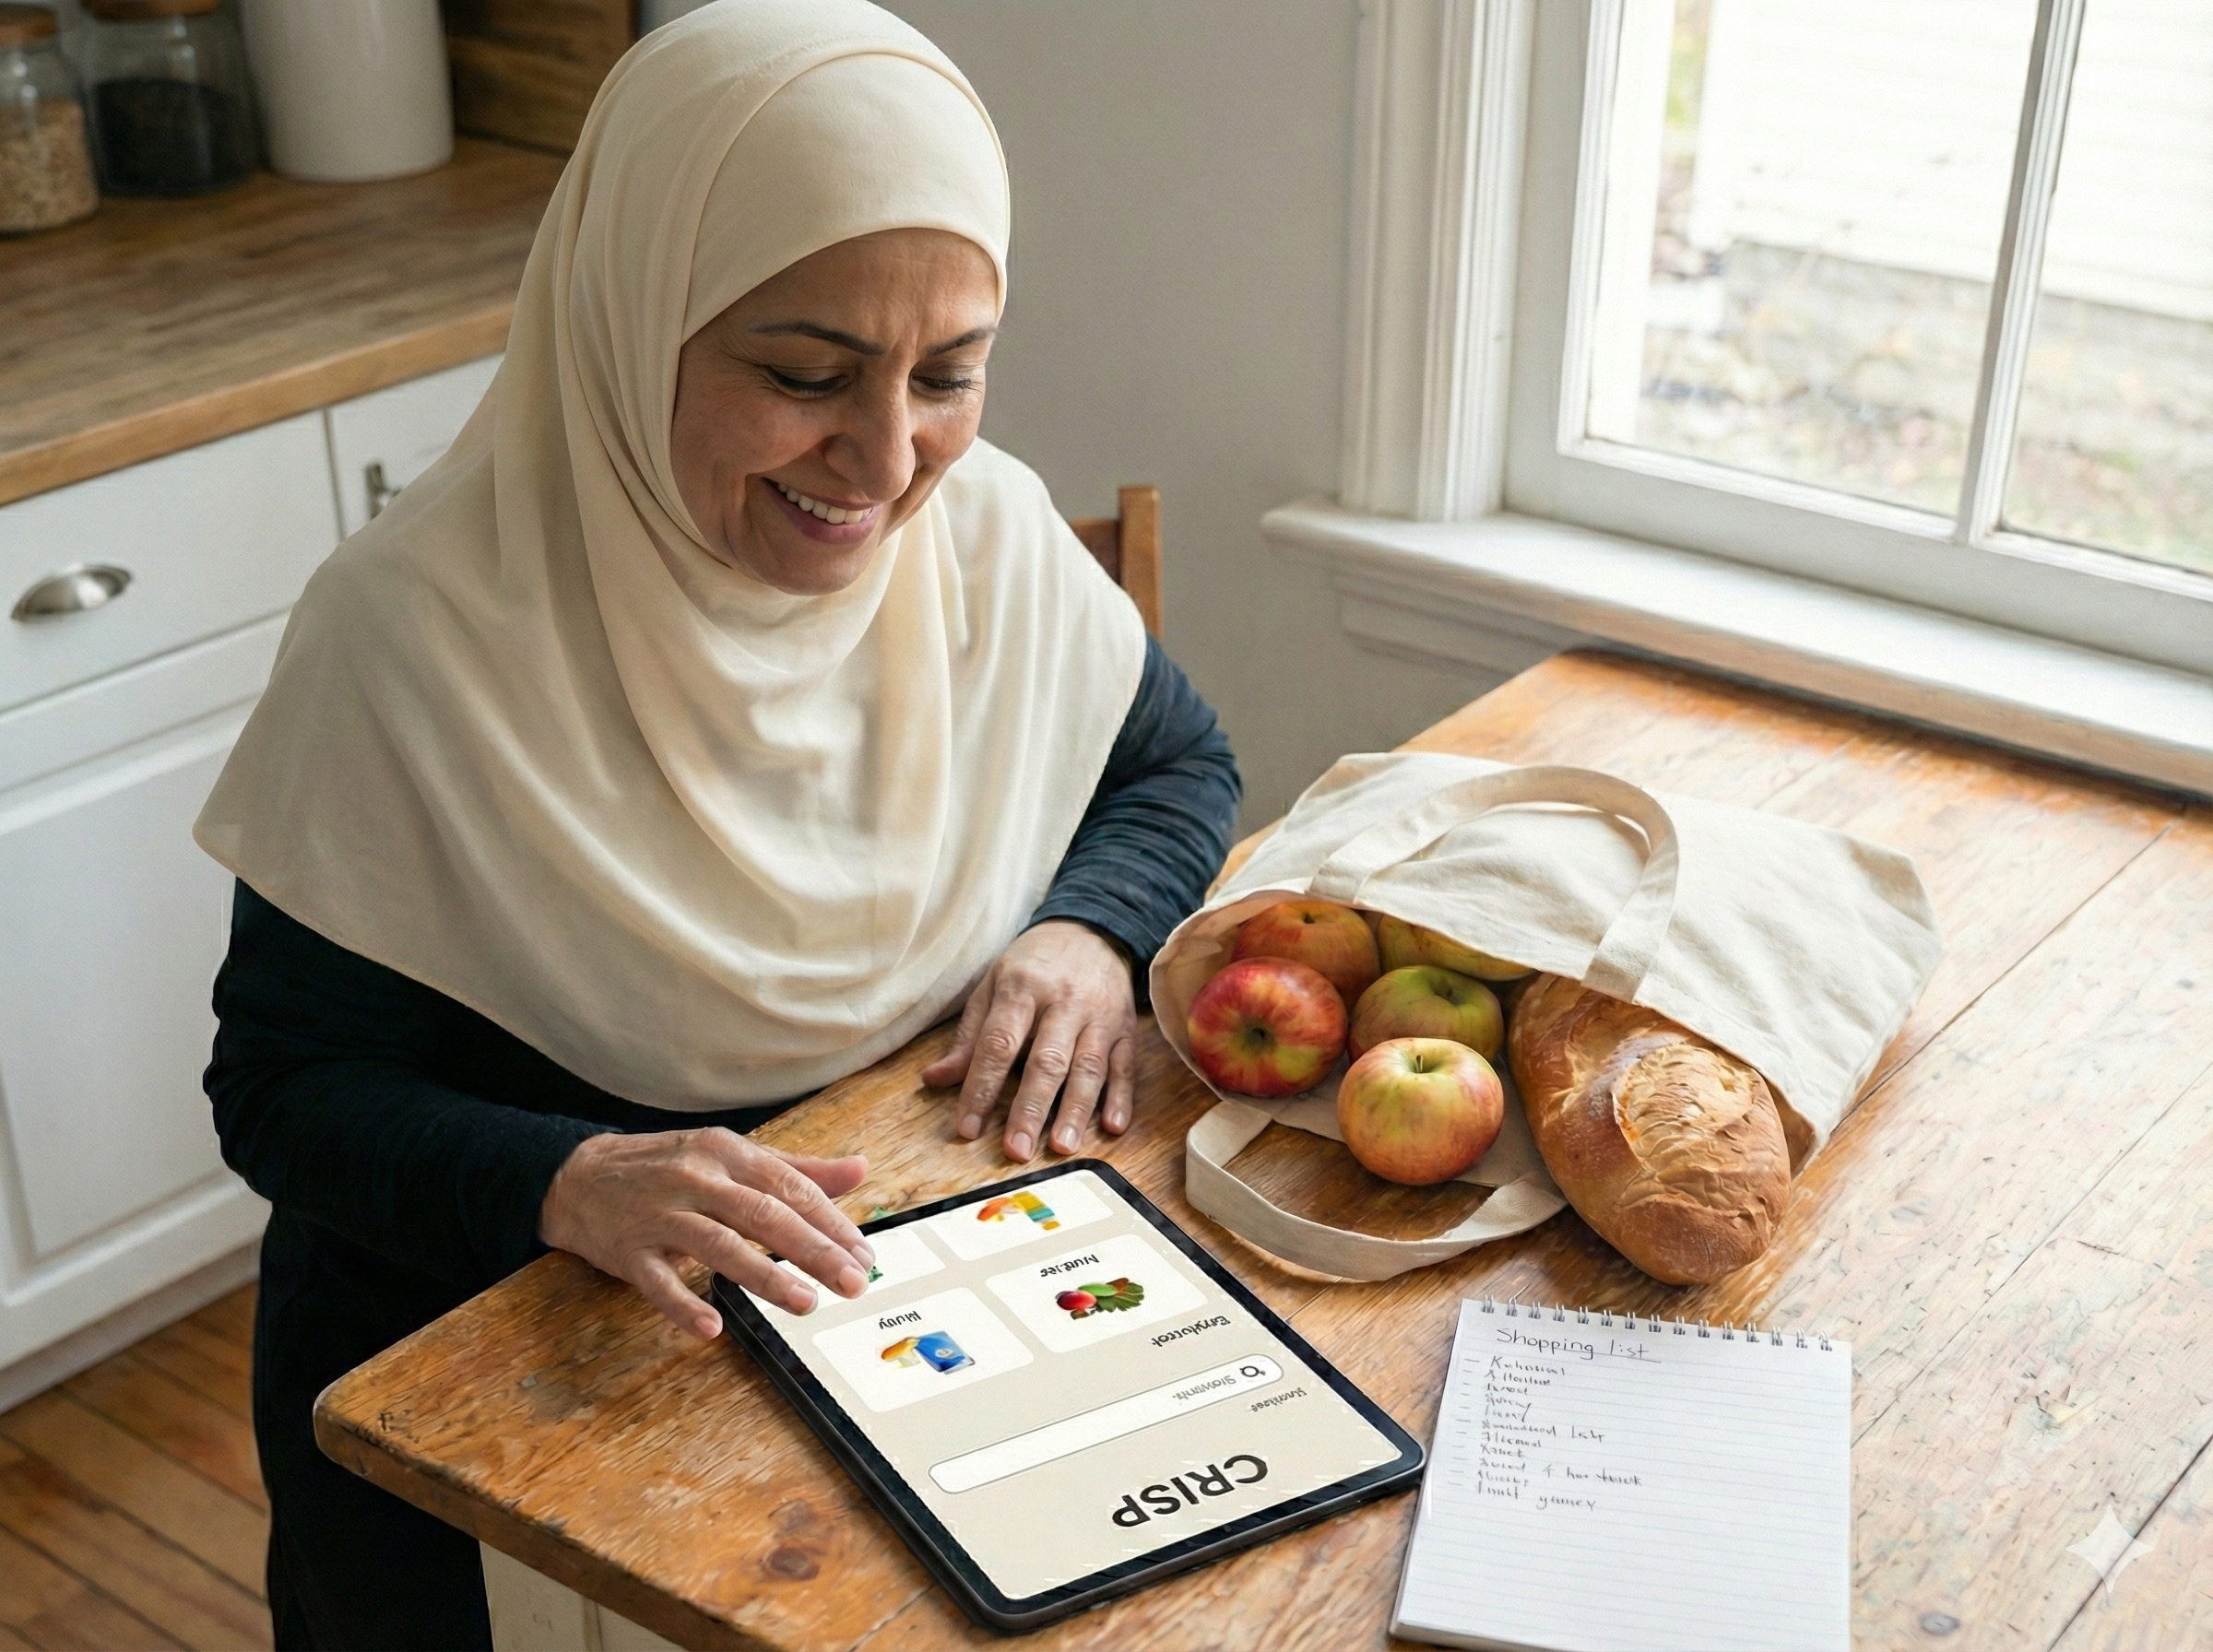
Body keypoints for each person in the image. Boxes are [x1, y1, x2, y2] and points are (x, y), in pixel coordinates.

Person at [194, 5, 1238, 1646]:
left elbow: (1175, 768)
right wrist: (567, 1176)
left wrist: (1086, 926)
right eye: (806, 374)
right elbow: (282, 1094)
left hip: (869, 1347)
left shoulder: (990, 541)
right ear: (632, 317)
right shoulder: (410, 635)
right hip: (481, 1406)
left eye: (949, 375)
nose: (888, 462)